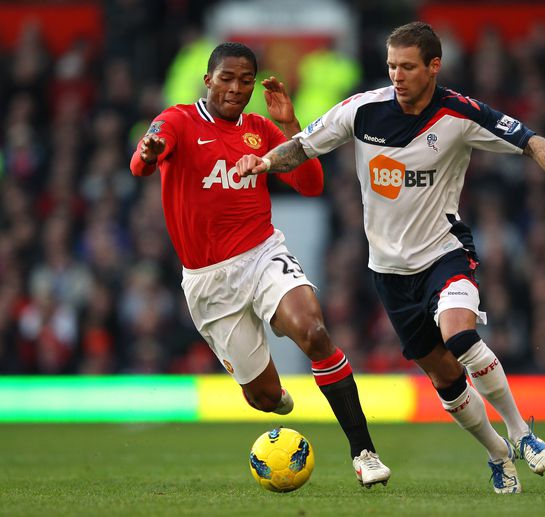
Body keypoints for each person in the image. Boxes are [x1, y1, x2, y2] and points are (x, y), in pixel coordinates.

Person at [236, 22, 545, 494]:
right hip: (389, 272)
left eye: (406, 66)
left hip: (445, 253)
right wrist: (265, 162)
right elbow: (302, 146)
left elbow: (529, 140)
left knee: (459, 335)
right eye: (391, 66)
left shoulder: (460, 114)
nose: (396, 75)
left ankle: (521, 432)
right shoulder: (362, 111)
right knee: (444, 375)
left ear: (433, 67)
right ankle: (497, 453)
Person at [129, 42, 391, 488]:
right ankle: (273, 394)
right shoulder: (177, 120)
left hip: (262, 253)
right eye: (227, 79)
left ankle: (364, 452)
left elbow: (310, 185)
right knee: (266, 399)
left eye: (245, 81)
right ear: (207, 80)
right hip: (209, 283)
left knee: (313, 331)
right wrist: (151, 152)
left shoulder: (260, 129)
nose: (236, 89)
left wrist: (288, 125)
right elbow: (140, 165)